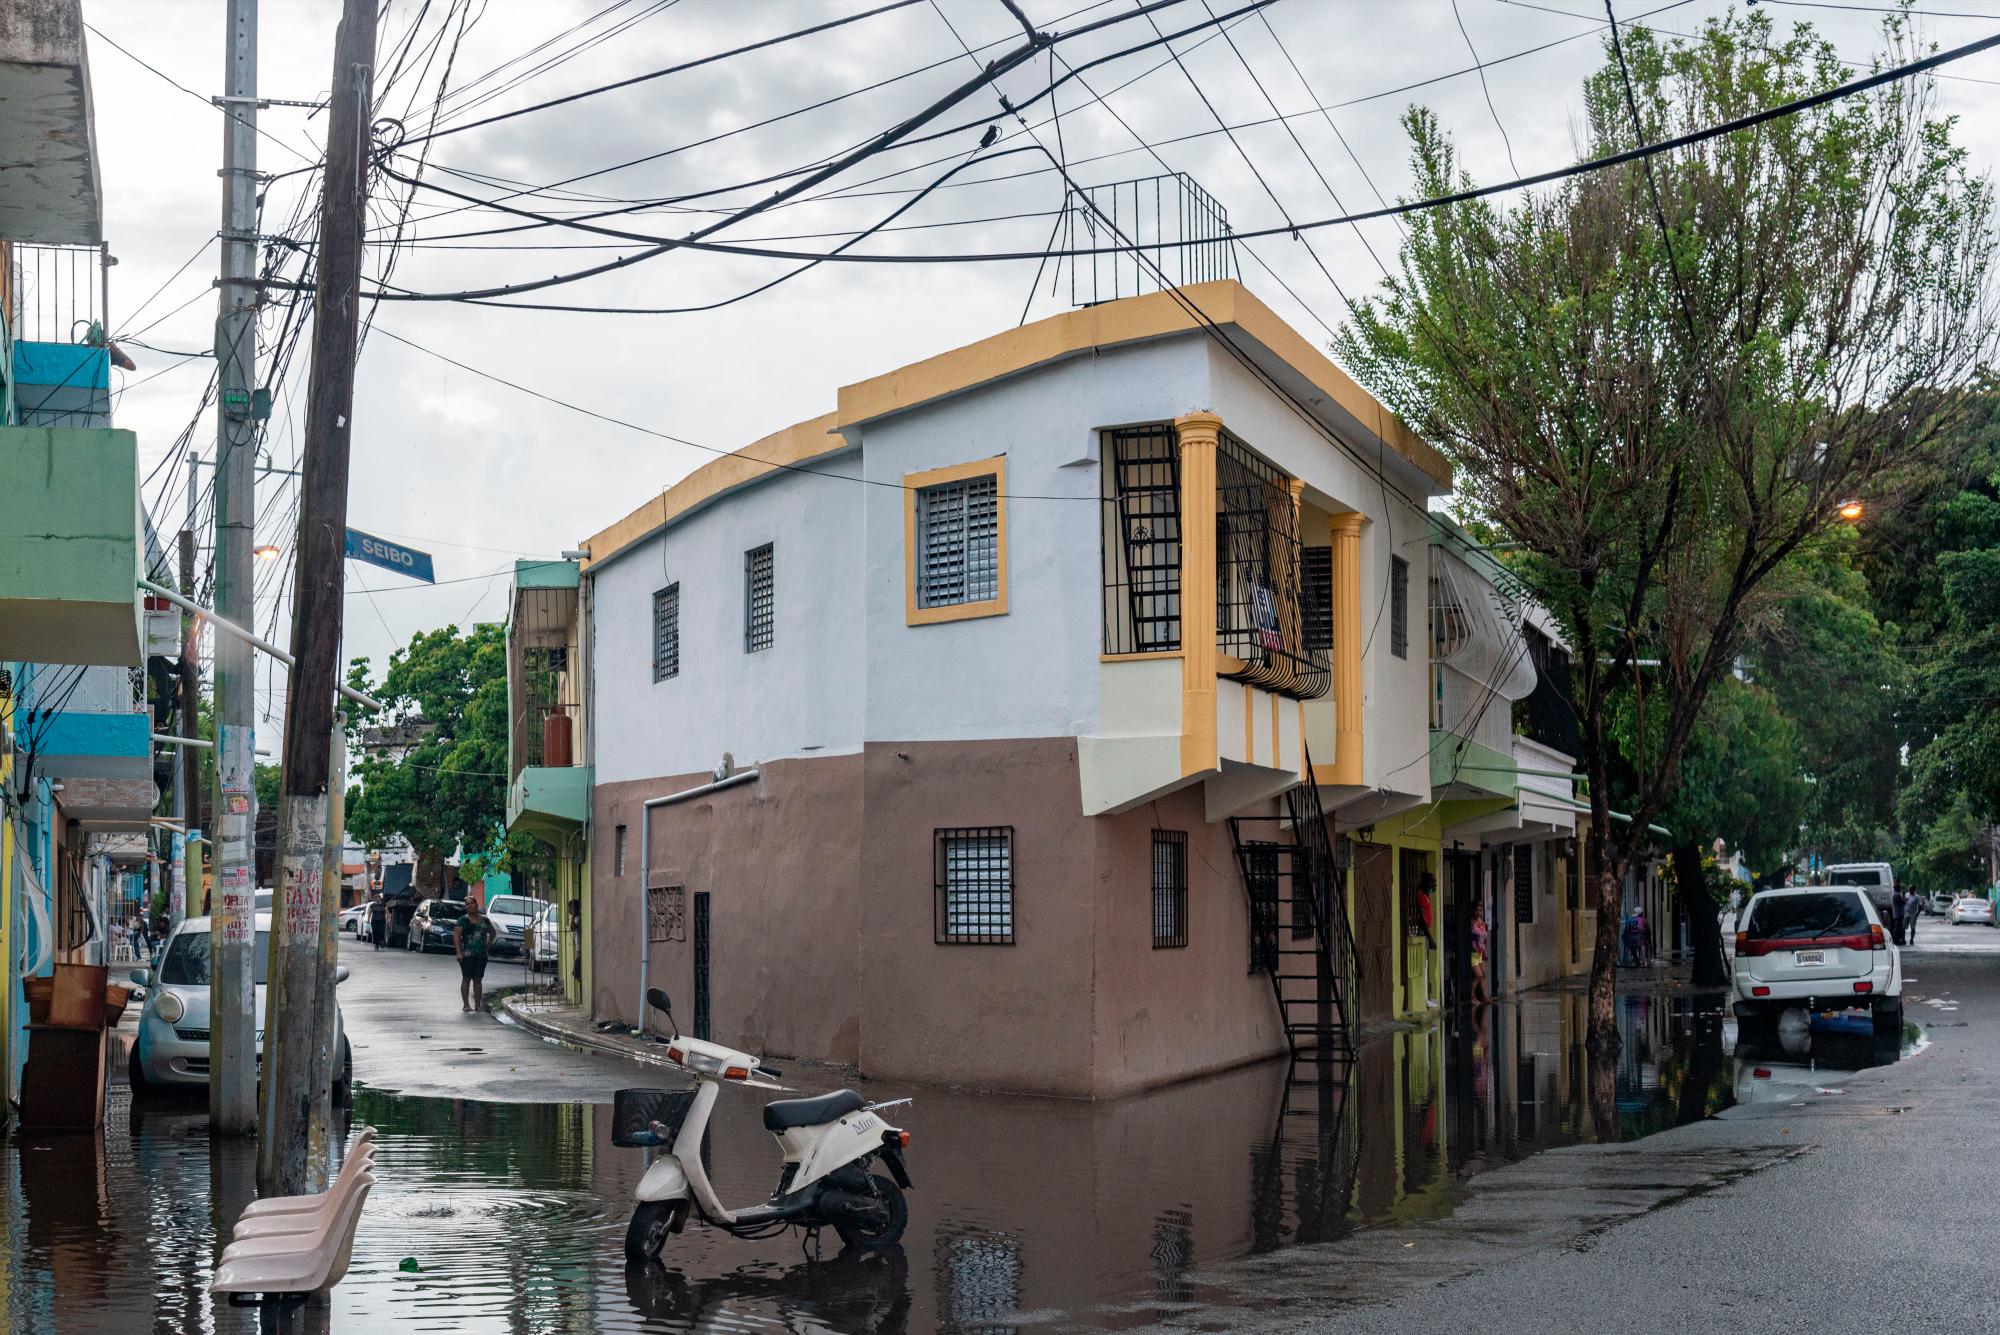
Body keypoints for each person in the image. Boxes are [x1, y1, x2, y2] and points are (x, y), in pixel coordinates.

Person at [456, 896, 498, 1013]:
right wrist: (459, 952)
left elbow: (492, 932)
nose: (470, 906)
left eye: (472, 903)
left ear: (476, 904)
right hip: (467, 954)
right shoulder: (462, 920)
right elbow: (457, 937)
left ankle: (478, 1005)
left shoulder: (484, 920)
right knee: (466, 978)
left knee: (478, 980)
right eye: (467, 904)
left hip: (481, 955)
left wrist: (488, 945)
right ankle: (466, 1005)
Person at [1469, 905, 1491, 1005]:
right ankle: (1471, 994)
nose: (1478, 913)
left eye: (1480, 910)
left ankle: (1485, 997)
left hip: (1480, 953)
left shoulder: (1481, 923)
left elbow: (1484, 938)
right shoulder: (1471, 923)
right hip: (1473, 953)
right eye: (1476, 910)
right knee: (1479, 975)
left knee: (1483, 975)